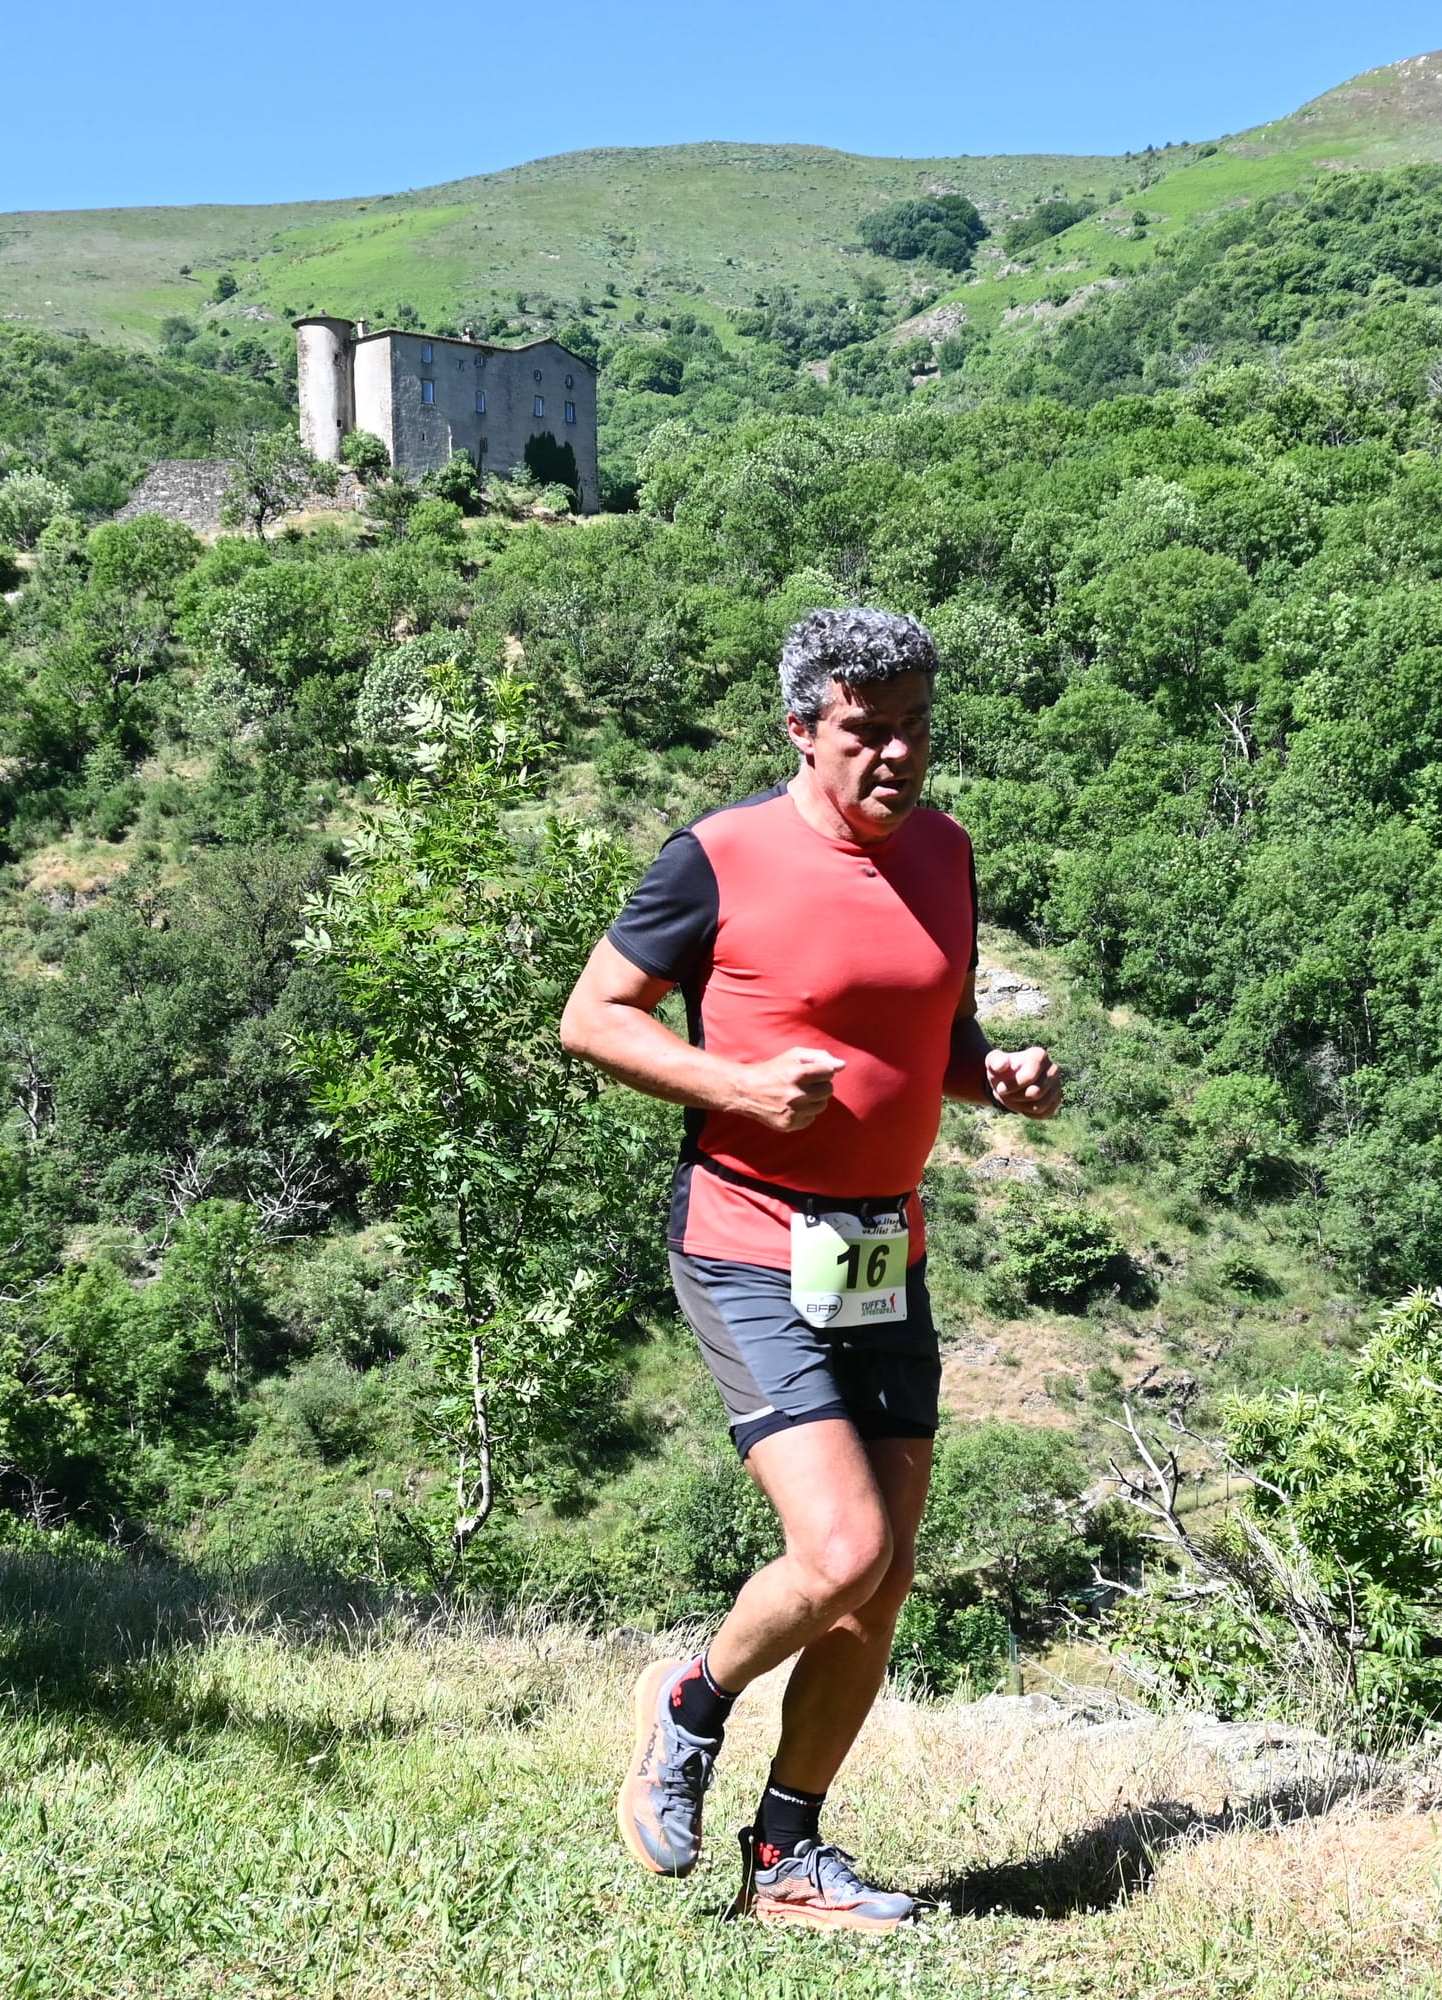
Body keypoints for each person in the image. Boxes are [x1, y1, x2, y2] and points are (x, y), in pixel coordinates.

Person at [558, 607, 1063, 1930]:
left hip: (882, 1247)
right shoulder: (719, 858)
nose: (896, 758)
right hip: (745, 1235)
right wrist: (731, 1083)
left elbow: (928, 1033)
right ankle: (689, 1706)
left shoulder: (945, 853)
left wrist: (989, 1077)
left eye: (915, 732)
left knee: (882, 1577)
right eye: (865, 734)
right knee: (838, 1549)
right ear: (801, 731)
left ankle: (788, 1860)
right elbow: (590, 1017)